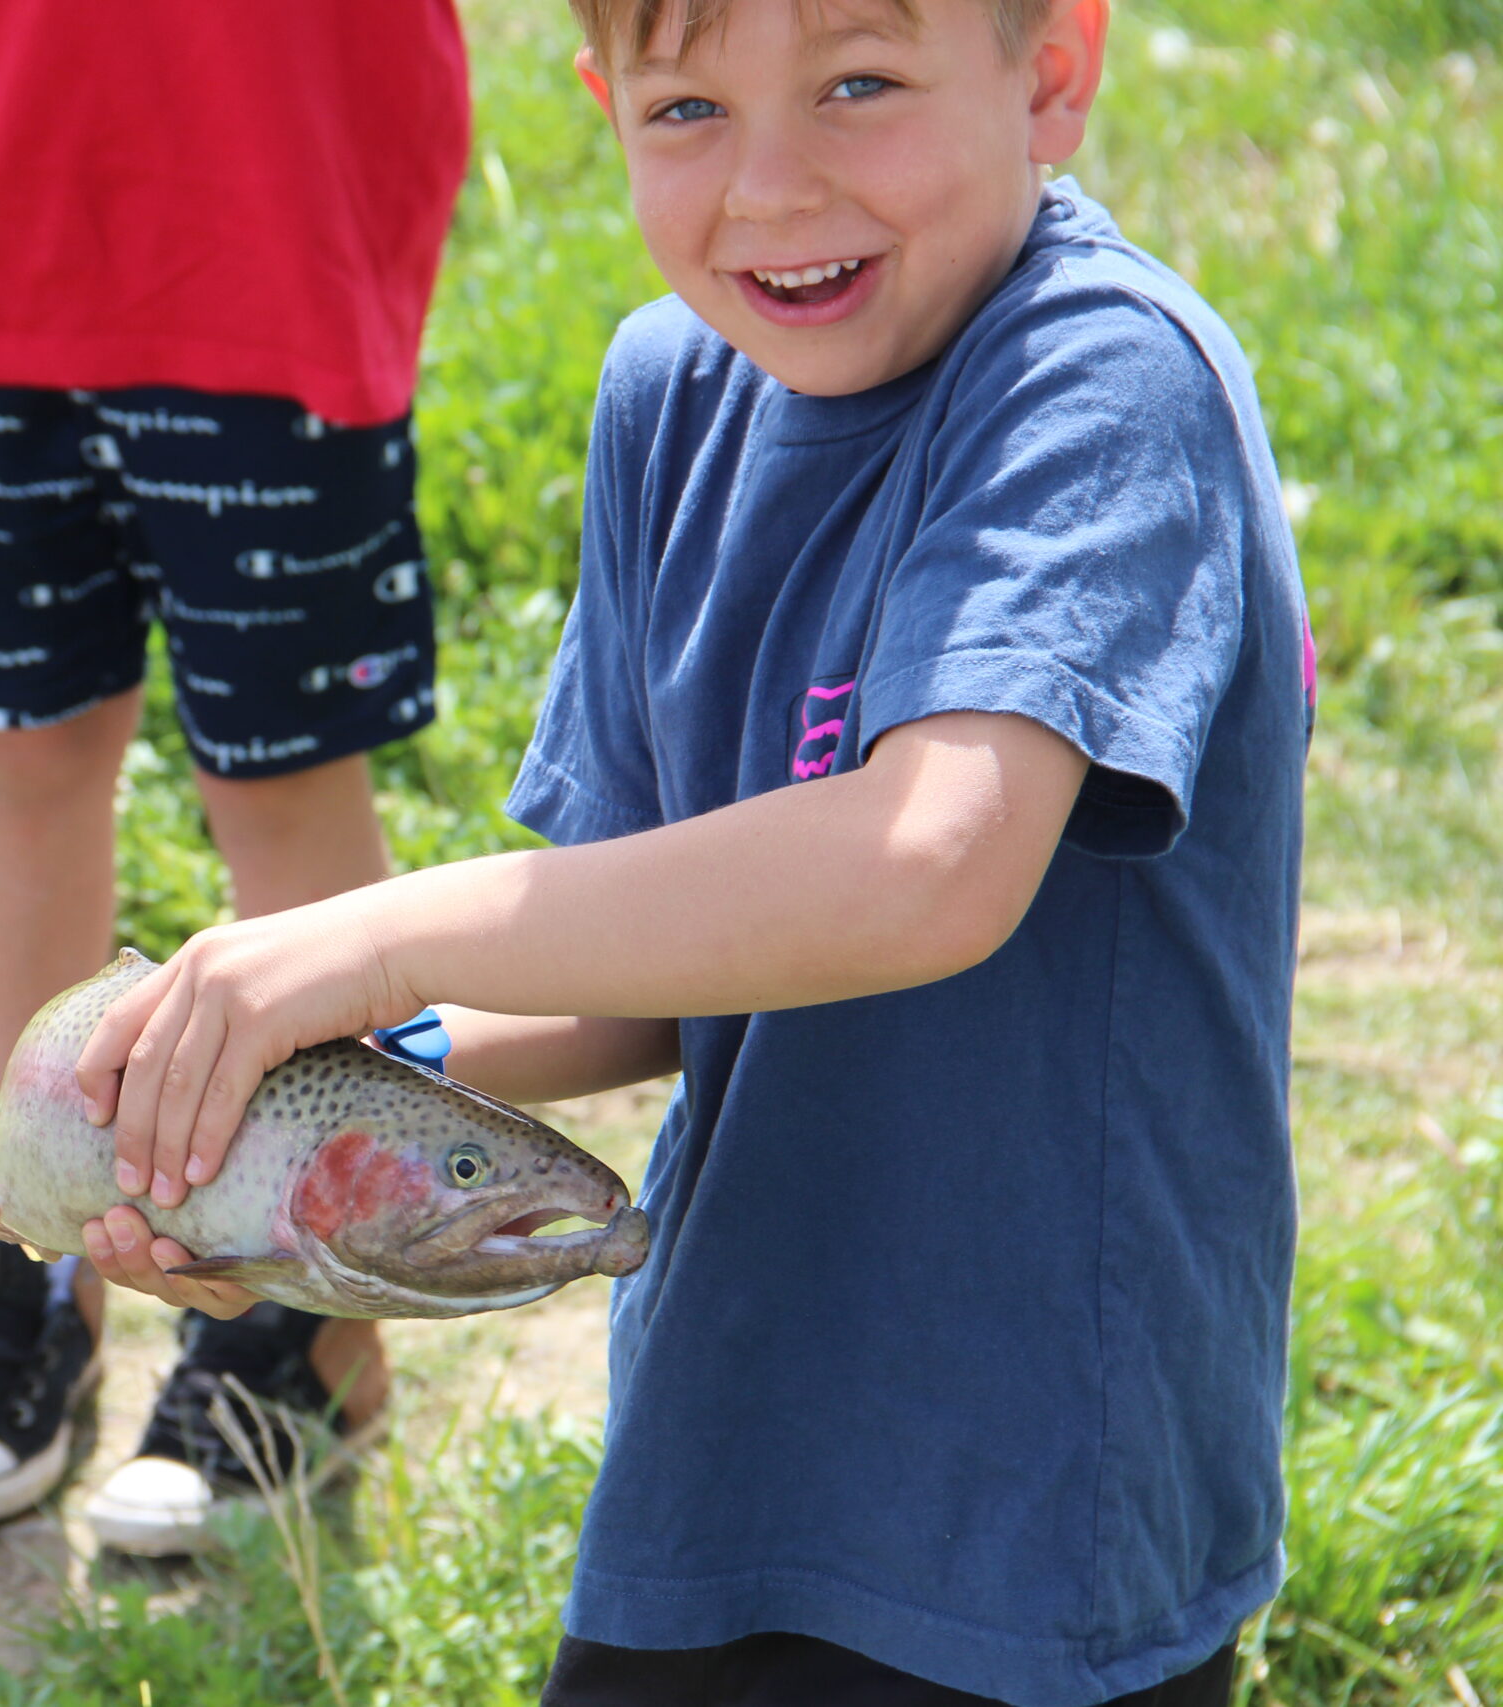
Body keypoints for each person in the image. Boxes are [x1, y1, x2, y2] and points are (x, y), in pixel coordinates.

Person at [72, 0, 1311, 1700]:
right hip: (728, 1437)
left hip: (1033, 1498)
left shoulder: (1101, 383)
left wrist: (376, 941)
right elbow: (635, 993)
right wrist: (277, 1120)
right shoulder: (671, 390)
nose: (772, 190)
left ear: (1053, 73)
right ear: (602, 105)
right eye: (687, 111)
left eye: (858, 86)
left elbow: (927, 864)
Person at [0, 1, 473, 1551]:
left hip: (266, 228)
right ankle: (29, 1245)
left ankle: (312, 1313)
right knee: (29, 753)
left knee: (276, 784)